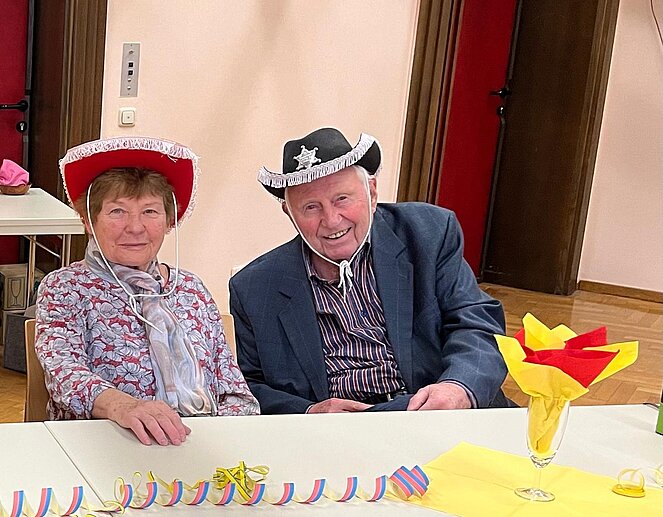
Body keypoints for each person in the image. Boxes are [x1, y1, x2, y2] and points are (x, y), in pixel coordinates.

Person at [230, 127, 510, 414]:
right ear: (290, 214)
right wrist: (310, 411)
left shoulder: (428, 234)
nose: (331, 220)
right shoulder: (254, 288)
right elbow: (250, 387)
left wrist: (457, 387)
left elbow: (476, 323)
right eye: (311, 207)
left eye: (342, 199)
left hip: (434, 412)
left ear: (372, 193)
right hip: (338, 430)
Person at [36, 136, 259, 445]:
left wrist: (227, 441)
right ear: (88, 221)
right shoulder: (65, 288)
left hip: (197, 446)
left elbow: (232, 388)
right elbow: (65, 373)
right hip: (105, 446)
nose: (135, 227)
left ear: (169, 221)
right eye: (117, 211)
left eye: (150, 212)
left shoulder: (191, 288)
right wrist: (123, 406)